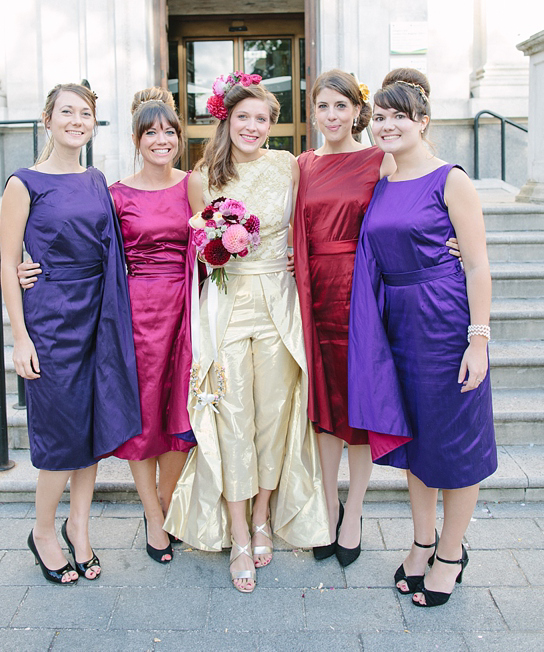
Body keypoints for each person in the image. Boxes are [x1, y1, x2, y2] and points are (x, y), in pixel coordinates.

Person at [165, 72, 329, 593]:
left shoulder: (289, 167)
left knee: (274, 416)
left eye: (262, 119)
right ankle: (237, 531)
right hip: (227, 306)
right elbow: (197, 247)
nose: (252, 127)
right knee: (232, 414)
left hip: (279, 303)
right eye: (243, 118)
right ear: (226, 120)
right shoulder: (201, 177)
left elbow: (320, 217)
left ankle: (263, 516)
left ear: (273, 125)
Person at [348, 67, 497, 608]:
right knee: (416, 441)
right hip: (398, 325)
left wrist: (476, 341)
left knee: (455, 442)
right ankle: (422, 541)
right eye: (380, 117)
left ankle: (451, 552)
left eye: (399, 117)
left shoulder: (451, 178)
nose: (386, 125)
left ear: (424, 121)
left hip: (445, 320)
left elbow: (478, 266)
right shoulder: (384, 180)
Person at [0, 83, 141, 585]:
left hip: (97, 314)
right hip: (51, 320)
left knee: (92, 428)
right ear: (47, 119)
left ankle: (78, 527)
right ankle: (42, 531)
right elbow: (8, 263)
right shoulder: (24, 183)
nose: (76, 120)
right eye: (67, 112)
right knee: (61, 434)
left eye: (85, 113)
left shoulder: (96, 178)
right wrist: (20, 336)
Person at [294, 70, 395, 567]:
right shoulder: (302, 165)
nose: (331, 116)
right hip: (312, 291)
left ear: (358, 110)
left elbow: (411, 208)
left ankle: (354, 509)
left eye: (341, 106)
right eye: (323, 106)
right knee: (324, 405)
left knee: (359, 404)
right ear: (313, 112)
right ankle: (326, 506)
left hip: (361, 292)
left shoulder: (381, 160)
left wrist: (451, 241)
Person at [109, 89, 197, 563]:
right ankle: (152, 514)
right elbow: (96, 255)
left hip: (186, 308)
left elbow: (214, 238)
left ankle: (168, 502)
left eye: (169, 132)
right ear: (137, 139)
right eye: (151, 132)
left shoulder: (194, 184)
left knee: (178, 414)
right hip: (139, 312)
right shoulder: (116, 194)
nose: (161, 140)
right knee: (145, 417)